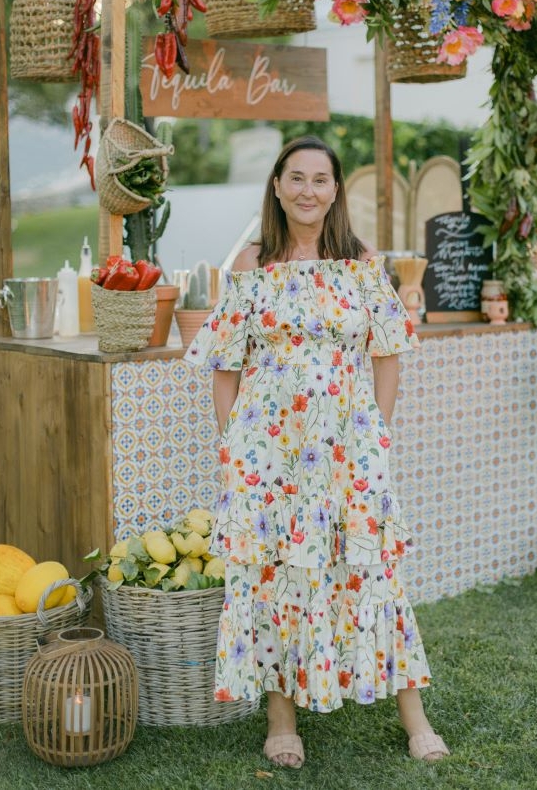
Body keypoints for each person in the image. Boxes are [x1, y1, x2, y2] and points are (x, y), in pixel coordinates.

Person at [185, 135, 449, 768]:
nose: (308, 190)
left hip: (347, 445)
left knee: (373, 571)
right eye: (295, 178)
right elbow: (225, 364)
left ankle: (415, 718)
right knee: (278, 575)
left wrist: (377, 432)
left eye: (320, 179)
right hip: (268, 455)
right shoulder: (250, 264)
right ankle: (282, 721)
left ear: (335, 191)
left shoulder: (362, 260)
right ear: (277, 187)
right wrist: (232, 446)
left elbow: (387, 350)